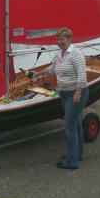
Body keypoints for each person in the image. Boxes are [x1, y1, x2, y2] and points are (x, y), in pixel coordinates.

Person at [33, 27, 89, 169]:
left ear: (69, 39)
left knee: (69, 127)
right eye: (57, 39)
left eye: (62, 39)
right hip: (64, 93)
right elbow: (52, 69)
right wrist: (37, 73)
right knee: (76, 124)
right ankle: (78, 155)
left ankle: (71, 161)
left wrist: (77, 93)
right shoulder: (60, 54)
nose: (59, 42)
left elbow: (82, 75)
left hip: (75, 94)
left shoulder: (75, 53)